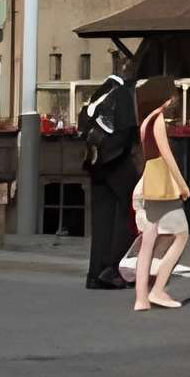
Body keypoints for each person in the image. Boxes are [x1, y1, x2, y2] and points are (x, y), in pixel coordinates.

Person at [132, 76, 190, 311]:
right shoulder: (158, 120)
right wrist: (182, 183)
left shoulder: (145, 121)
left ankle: (141, 298)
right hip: (161, 182)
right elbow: (166, 155)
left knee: (148, 240)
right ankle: (157, 289)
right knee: (181, 234)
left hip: (149, 180)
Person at [81, 61, 144, 290]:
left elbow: (83, 124)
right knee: (128, 212)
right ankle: (112, 269)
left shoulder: (100, 93)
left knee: (102, 218)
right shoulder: (124, 94)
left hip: (95, 162)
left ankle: (94, 273)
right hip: (116, 161)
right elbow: (128, 128)